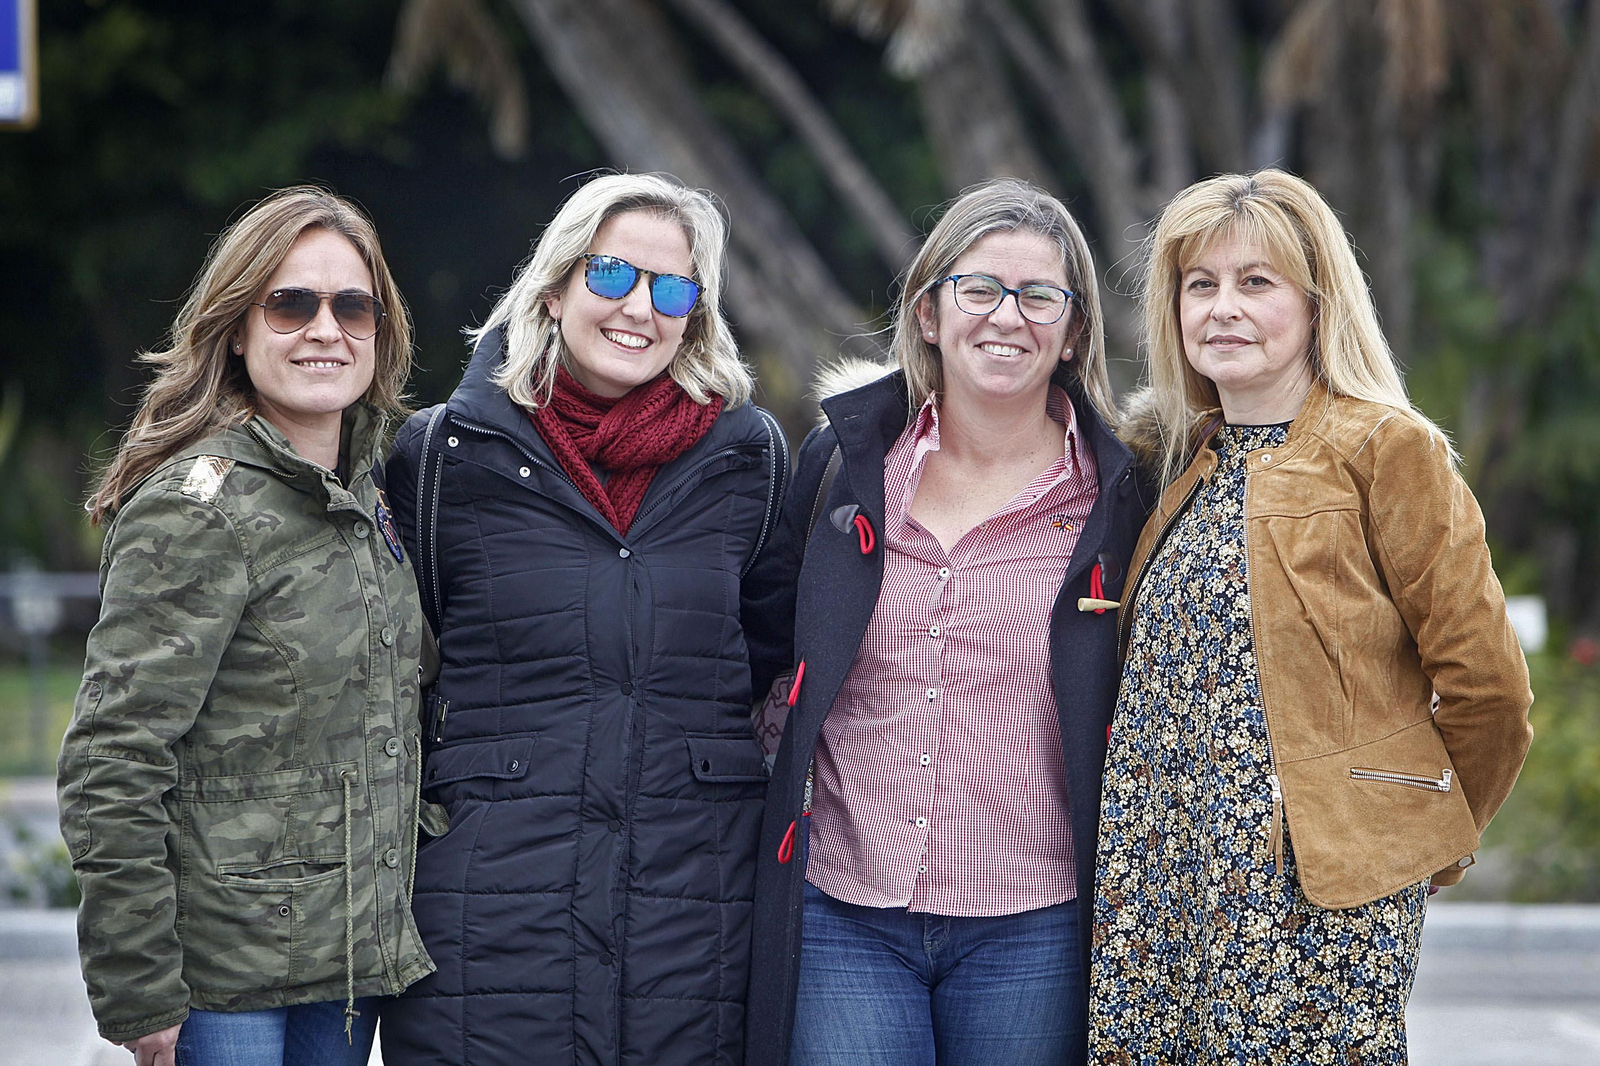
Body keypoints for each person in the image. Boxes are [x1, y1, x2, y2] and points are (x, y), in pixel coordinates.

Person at [1090, 169, 1535, 1061]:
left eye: (1257, 282)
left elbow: (1489, 691)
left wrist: (1407, 839)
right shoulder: (1177, 465)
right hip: (1160, 886)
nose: (1224, 308)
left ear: (1317, 299)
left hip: (1313, 894)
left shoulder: (1386, 448)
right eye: (1200, 284)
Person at [378, 172, 787, 1066]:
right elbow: (403, 663)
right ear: (556, 288)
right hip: (488, 914)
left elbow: (764, 655)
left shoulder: (748, 460)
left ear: (696, 315)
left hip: (692, 917)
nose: (639, 306)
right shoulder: (444, 454)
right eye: (611, 276)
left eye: (672, 289)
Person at [741, 178, 1153, 1066]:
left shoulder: (1120, 497)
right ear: (930, 313)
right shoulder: (842, 466)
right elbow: (766, 649)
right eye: (980, 290)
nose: (1008, 316)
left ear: (1075, 330)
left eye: (1041, 295)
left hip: (1035, 921)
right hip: (845, 910)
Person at [59, 186, 430, 1066]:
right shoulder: (199, 509)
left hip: (344, 971)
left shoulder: (379, 495)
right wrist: (138, 981)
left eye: (353, 306)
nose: (325, 329)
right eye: (290, 302)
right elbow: (113, 756)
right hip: (222, 986)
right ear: (237, 326)